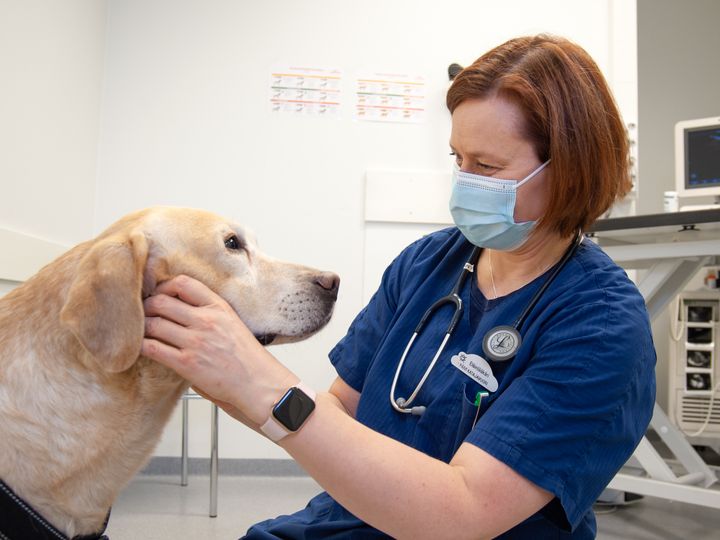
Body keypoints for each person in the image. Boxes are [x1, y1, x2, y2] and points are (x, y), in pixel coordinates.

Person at [142, 34, 656, 539]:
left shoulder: (601, 325)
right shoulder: (429, 262)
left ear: (568, 168)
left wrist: (264, 385)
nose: (465, 182)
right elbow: (340, 412)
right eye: (458, 159)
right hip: (347, 520)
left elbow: (465, 514)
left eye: (488, 166)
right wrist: (226, 372)